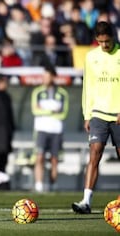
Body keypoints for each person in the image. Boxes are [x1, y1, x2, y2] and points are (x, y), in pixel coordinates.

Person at [72, 21, 120, 214]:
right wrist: (87, 114)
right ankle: (86, 201)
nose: (104, 45)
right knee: (95, 153)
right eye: (100, 42)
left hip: (118, 114)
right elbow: (88, 87)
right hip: (98, 113)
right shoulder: (91, 57)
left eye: (107, 41)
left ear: (113, 37)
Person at [31, 65, 69, 192]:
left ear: (53, 77)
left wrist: (44, 110)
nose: (45, 79)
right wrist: (52, 110)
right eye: (44, 76)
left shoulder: (62, 93)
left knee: (54, 159)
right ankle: (39, 185)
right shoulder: (37, 92)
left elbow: (63, 113)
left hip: (56, 130)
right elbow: (35, 110)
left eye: (47, 76)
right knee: (39, 157)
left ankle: (53, 185)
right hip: (41, 129)